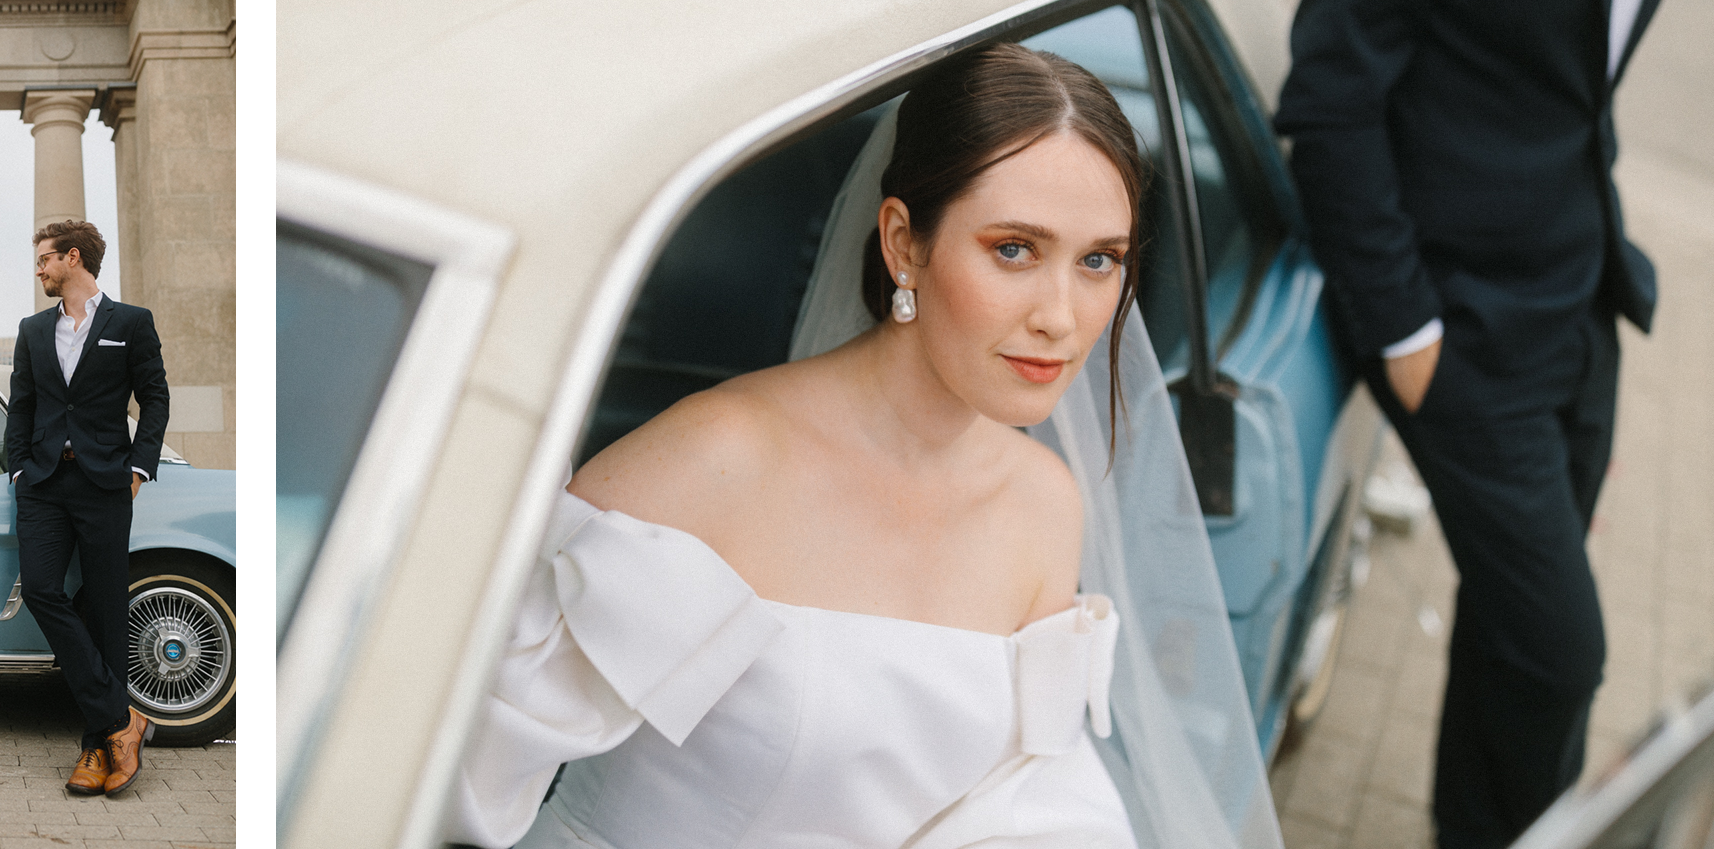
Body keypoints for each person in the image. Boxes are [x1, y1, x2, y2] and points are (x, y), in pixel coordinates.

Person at [443, 44, 1279, 849]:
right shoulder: (712, 464)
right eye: (1013, 250)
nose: (1061, 318)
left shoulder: (1042, 501)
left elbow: (1024, 804)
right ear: (903, 242)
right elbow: (447, 765)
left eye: (1098, 260)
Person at [1274, 0, 1677, 843]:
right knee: (1557, 655)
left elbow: (1571, 68)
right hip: (1450, 319)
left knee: (1511, 635)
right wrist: (1403, 329)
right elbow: (1329, 95)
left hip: (1575, 293)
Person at [6, 219, 171, 797]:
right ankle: (122, 720)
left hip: (105, 483)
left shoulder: (131, 323)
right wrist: (20, 469)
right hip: (43, 483)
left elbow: (155, 399)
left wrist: (139, 468)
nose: (39, 270)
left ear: (73, 258)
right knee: (41, 589)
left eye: (45, 259)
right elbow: (22, 405)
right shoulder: (32, 330)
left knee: (105, 610)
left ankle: (96, 749)